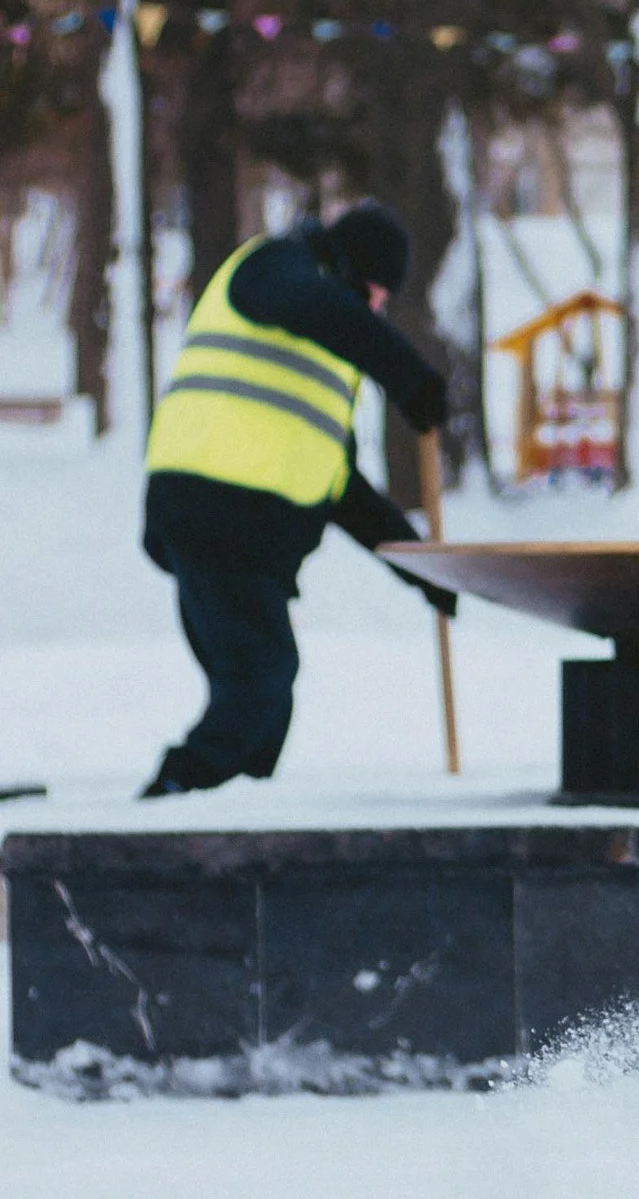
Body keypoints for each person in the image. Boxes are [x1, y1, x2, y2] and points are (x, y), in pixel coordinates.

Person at [139, 199, 457, 798]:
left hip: (245, 542)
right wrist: (407, 375)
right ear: (343, 266)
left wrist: (425, 569)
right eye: (371, 292)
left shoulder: (322, 355)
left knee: (263, 708)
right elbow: (317, 307)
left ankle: (226, 821)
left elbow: (342, 489)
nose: (374, 310)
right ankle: (172, 802)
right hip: (212, 515)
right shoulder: (275, 270)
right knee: (261, 679)